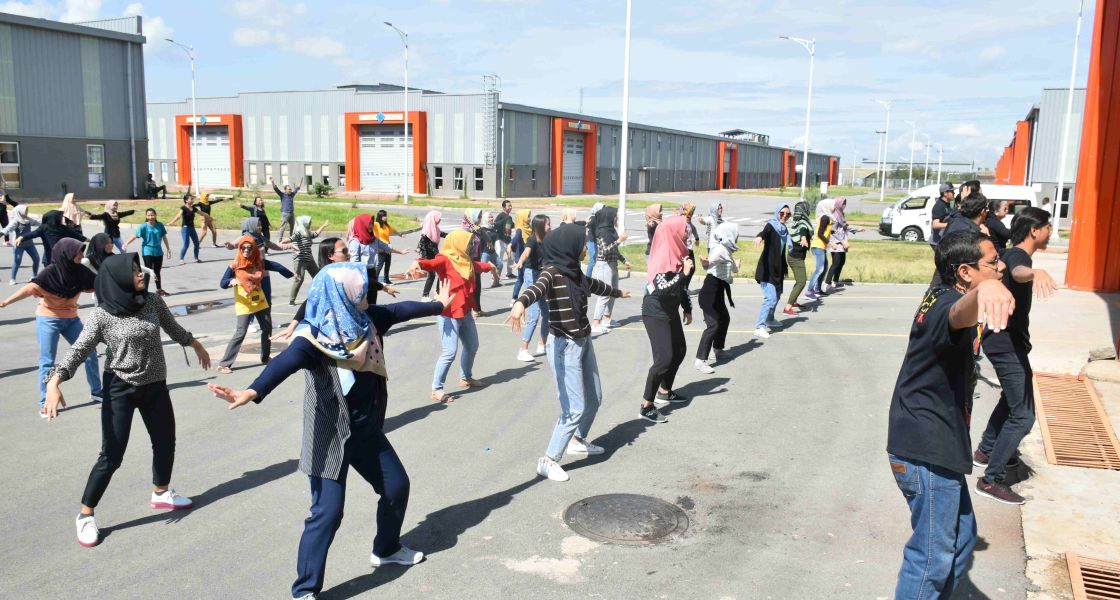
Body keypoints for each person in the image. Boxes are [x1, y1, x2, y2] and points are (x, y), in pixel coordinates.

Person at [208, 263, 448, 599]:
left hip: (366, 431)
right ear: (339, 293)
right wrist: (252, 391)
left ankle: (387, 548)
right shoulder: (312, 337)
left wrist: (439, 304)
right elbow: (284, 363)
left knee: (396, 487)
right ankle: (304, 589)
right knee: (328, 512)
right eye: (358, 289)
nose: (364, 294)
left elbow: (401, 309)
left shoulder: (366, 319)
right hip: (330, 437)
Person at [42, 252, 210, 547]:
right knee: (112, 455)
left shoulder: (153, 302)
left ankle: (161, 492)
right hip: (121, 387)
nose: (141, 273)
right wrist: (55, 380)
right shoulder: (102, 316)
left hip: (155, 385)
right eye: (134, 270)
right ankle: (85, 514)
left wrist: (194, 342)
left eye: (139, 268)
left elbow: (172, 327)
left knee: (165, 441)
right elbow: (78, 350)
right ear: (118, 278)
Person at [886, 230, 1015, 598]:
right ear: (965, 272)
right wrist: (983, 292)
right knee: (931, 557)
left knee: (960, 541)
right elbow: (959, 314)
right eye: (992, 263)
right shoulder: (947, 305)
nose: (1000, 266)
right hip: (925, 448)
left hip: (936, 443)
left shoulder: (945, 292)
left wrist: (987, 287)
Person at [509, 222, 629, 482]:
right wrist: (520, 302)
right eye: (583, 243)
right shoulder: (551, 273)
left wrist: (618, 292)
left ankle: (577, 439)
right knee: (573, 407)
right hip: (563, 346)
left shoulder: (574, 272)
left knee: (594, 397)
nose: (587, 247)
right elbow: (535, 289)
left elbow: (595, 285)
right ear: (569, 247)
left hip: (583, 341)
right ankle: (548, 459)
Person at [973, 208, 1057, 505]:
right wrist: (1035, 272)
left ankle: (985, 450)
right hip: (1005, 344)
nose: (1050, 231)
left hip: (1005, 342)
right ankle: (990, 480)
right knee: (1023, 415)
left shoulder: (1011, 254)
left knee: (1012, 400)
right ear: (1035, 230)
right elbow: (1020, 273)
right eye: (1048, 226)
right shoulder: (1020, 258)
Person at [0, 238, 102, 415]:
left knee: (90, 352)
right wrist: (6, 302)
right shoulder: (50, 273)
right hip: (48, 319)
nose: (81, 255)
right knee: (47, 361)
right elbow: (29, 289)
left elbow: (101, 283)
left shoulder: (80, 271)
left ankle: (97, 391)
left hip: (71, 319)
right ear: (67, 254)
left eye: (81, 251)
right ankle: (44, 402)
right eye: (78, 252)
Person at [408, 229, 494, 403]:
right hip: (448, 313)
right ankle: (436, 389)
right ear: (458, 243)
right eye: (468, 242)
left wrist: (489, 266)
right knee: (449, 352)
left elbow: (476, 267)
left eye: (471, 243)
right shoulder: (445, 259)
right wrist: (417, 263)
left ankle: (466, 378)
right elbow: (431, 264)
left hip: (465, 312)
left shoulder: (465, 260)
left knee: (472, 346)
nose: (471, 245)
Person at [639, 214, 694, 424]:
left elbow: (682, 288)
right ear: (673, 233)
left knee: (679, 350)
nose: (687, 233)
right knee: (663, 359)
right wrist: (683, 274)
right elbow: (663, 290)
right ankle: (646, 406)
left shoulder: (680, 252)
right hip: (655, 311)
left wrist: (687, 308)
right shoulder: (664, 256)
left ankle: (665, 390)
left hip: (670, 310)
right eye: (684, 230)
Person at [215, 235, 277, 374]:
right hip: (244, 303)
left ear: (253, 249)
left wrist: (289, 273)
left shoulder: (258, 262)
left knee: (267, 328)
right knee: (240, 332)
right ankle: (224, 364)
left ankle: (265, 357)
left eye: (249, 248)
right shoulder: (235, 264)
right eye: (243, 248)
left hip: (259, 301)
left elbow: (274, 266)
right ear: (240, 248)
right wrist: (231, 281)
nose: (246, 250)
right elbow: (223, 283)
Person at [695, 222, 739, 374]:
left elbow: (732, 272)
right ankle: (700, 360)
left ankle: (718, 350)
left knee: (724, 319)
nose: (737, 236)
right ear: (729, 235)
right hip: (709, 293)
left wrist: (735, 266)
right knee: (713, 324)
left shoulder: (727, 250)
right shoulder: (720, 249)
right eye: (736, 233)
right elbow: (709, 263)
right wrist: (705, 263)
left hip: (718, 291)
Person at [513, 215, 551, 361]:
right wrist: (520, 262)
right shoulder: (532, 239)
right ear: (541, 226)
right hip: (531, 274)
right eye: (547, 224)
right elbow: (526, 252)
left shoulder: (547, 239)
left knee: (546, 314)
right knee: (534, 315)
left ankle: (542, 343)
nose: (549, 226)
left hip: (541, 275)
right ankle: (523, 349)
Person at [590, 206, 631, 335]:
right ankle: (596, 323)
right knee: (604, 295)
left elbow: (614, 250)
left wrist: (624, 260)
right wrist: (619, 240)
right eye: (615, 216)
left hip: (612, 265)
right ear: (609, 217)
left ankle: (607, 319)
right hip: (604, 265)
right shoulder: (601, 232)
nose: (616, 218)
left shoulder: (611, 231)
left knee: (613, 293)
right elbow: (605, 250)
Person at [753, 204, 790, 339]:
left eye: (787, 214)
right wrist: (759, 237)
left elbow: (782, 251)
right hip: (767, 269)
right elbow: (764, 233)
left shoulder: (784, 230)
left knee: (778, 294)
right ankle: (759, 326)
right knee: (770, 298)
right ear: (777, 213)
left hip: (778, 269)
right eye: (782, 213)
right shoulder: (771, 226)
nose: (784, 216)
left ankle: (769, 319)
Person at [124, 208, 170, 297]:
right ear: (146, 216)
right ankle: (144, 291)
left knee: (157, 271)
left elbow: (164, 237)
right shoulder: (143, 226)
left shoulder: (160, 225)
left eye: (152, 215)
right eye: (148, 215)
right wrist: (126, 243)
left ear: (155, 215)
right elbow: (135, 235)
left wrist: (168, 249)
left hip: (158, 251)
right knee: (148, 271)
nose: (151, 217)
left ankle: (159, 289)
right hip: (147, 250)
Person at [823, 198, 863, 292]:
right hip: (835, 243)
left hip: (842, 242)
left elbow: (845, 226)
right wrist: (842, 241)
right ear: (838, 204)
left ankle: (835, 281)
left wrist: (857, 229)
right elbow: (833, 231)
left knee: (841, 262)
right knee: (836, 262)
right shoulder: (834, 216)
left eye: (845, 203)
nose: (844, 205)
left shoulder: (841, 215)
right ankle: (826, 283)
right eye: (843, 203)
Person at [287, 216, 329, 305]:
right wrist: (285, 242)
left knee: (318, 276)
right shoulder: (298, 233)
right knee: (299, 279)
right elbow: (291, 238)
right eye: (309, 222)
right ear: (304, 223)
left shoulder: (307, 232)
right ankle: (292, 300)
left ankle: (322, 295)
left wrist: (323, 226)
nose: (310, 224)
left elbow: (315, 234)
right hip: (300, 260)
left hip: (309, 259)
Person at [783, 201, 813, 315]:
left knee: (799, 281)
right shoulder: (803, 223)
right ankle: (787, 308)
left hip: (793, 256)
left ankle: (793, 301)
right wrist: (804, 239)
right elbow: (803, 232)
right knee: (802, 282)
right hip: (796, 258)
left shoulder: (797, 221)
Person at [2, 204, 40, 284]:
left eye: (26, 210)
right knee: (17, 261)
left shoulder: (28, 219)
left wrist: (48, 223)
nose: (26, 212)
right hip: (18, 244)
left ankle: (34, 276)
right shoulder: (15, 221)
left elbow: (38, 223)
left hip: (29, 244)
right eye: (24, 210)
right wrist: (1, 233)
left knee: (36, 259)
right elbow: (7, 229)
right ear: (19, 212)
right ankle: (12, 278)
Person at [417, 211, 445, 300]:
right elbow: (422, 247)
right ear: (433, 218)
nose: (439, 219)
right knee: (432, 275)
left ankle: (438, 292)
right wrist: (426, 261)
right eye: (438, 217)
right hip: (429, 257)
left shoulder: (434, 228)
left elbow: (442, 234)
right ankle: (425, 296)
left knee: (441, 273)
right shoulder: (426, 232)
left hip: (435, 255)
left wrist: (453, 235)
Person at [167, 194, 202, 265]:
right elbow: (178, 216)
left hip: (192, 228)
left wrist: (210, 218)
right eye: (191, 199)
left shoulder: (194, 208)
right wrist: (171, 222)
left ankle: (196, 258)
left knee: (197, 244)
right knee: (186, 244)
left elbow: (202, 213)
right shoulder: (183, 208)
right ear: (186, 200)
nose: (193, 200)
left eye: (193, 199)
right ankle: (181, 259)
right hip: (185, 229)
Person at [372, 209, 402, 284]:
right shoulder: (376, 224)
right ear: (380, 216)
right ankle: (375, 280)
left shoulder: (386, 225)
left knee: (388, 263)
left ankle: (386, 279)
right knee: (380, 264)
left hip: (388, 246)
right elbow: (368, 226)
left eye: (386, 216)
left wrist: (399, 234)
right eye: (384, 216)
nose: (386, 217)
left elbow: (393, 230)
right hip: (381, 247)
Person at [509, 209, 533, 304]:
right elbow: (515, 239)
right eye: (528, 216)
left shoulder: (529, 228)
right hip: (522, 259)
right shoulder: (520, 230)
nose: (530, 218)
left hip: (530, 256)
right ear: (522, 218)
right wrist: (510, 244)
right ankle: (514, 298)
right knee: (522, 278)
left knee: (525, 278)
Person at [270, 176, 300, 241]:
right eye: (289, 189)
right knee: (283, 227)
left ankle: (291, 239)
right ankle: (280, 240)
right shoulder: (282, 195)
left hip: (291, 214)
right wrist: (272, 182)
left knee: (292, 227)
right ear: (285, 190)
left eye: (290, 189)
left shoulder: (292, 194)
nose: (290, 190)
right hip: (285, 213)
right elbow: (276, 189)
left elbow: (297, 189)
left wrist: (300, 182)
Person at [479, 212, 504, 288]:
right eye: (489, 217)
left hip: (493, 252)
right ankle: (475, 281)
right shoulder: (482, 229)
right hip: (484, 252)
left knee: (500, 264)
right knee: (481, 269)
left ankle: (496, 281)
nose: (491, 219)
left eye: (492, 217)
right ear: (485, 219)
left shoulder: (493, 227)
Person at [493, 200, 515, 279]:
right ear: (504, 207)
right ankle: (496, 276)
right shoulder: (501, 215)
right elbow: (495, 225)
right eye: (508, 206)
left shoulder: (509, 217)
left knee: (511, 256)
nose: (510, 207)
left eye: (511, 205)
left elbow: (510, 226)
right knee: (499, 258)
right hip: (500, 240)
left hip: (508, 240)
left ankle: (509, 273)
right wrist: (504, 220)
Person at [929, 182, 955, 248]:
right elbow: (935, 225)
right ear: (945, 193)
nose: (954, 193)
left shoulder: (947, 204)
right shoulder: (939, 206)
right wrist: (951, 225)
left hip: (944, 241)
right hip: (938, 243)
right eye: (952, 191)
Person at [584, 202, 604, 277]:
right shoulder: (593, 218)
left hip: (594, 240)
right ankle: (587, 278)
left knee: (595, 259)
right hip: (591, 241)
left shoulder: (597, 217)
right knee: (592, 260)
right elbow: (586, 226)